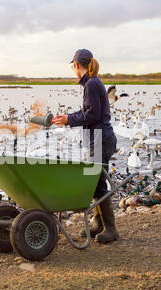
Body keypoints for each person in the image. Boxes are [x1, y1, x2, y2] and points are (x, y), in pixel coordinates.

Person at [52, 49, 118, 244]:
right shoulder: (93, 83)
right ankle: (99, 223)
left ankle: (111, 228)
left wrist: (69, 120)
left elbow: (92, 115)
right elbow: (88, 111)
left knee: (96, 182)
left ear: (76, 66)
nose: (73, 69)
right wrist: (68, 118)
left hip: (100, 139)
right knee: (94, 182)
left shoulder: (91, 84)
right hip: (98, 138)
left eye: (73, 66)